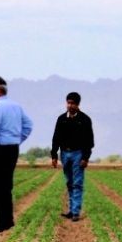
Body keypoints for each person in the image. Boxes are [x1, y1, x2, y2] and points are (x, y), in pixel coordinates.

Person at [0, 76, 33, 232]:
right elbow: (28, 126)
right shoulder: (16, 106)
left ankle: (1, 223)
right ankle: (8, 220)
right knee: (7, 186)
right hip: (12, 150)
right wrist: (16, 140)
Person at [50, 91, 94, 221]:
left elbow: (89, 141)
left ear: (78, 104)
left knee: (77, 183)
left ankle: (75, 212)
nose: (70, 105)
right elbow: (55, 138)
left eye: (73, 103)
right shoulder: (61, 119)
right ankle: (71, 210)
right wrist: (54, 155)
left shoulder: (85, 120)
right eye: (68, 103)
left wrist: (85, 157)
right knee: (69, 182)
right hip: (64, 154)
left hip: (78, 154)